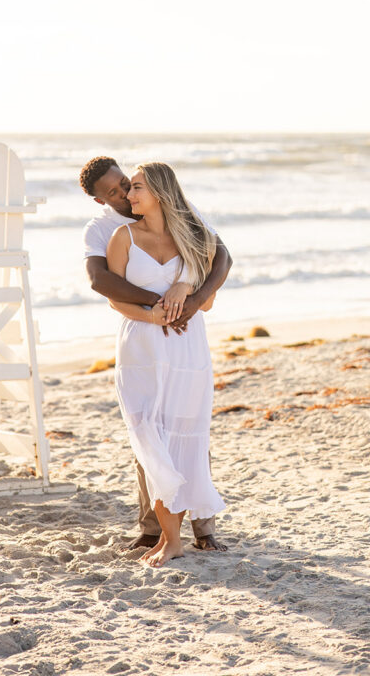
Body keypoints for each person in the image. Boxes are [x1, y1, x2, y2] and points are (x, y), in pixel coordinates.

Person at [80, 156, 232, 553]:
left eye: (128, 184)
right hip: (144, 339)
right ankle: (156, 531)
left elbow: (221, 259)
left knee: (188, 431)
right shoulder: (105, 231)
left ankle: (203, 527)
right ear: (100, 200)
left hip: (185, 342)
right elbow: (103, 283)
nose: (124, 193)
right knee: (149, 434)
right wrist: (157, 308)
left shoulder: (182, 217)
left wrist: (191, 298)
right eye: (114, 192)